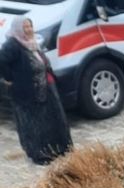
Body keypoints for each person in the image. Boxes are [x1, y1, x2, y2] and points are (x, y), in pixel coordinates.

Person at [0, 17, 72, 165]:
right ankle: (41, 154)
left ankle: (60, 149)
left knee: (54, 120)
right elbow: (2, 61)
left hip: (45, 87)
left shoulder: (32, 43)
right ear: (18, 29)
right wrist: (9, 78)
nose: (28, 29)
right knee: (35, 126)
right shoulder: (12, 45)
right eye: (25, 27)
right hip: (27, 93)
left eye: (30, 26)